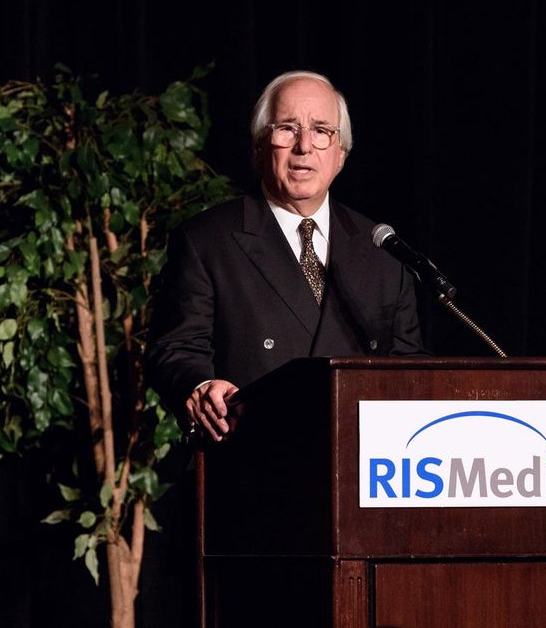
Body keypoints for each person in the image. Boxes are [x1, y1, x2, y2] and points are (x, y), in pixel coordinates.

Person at [145, 70, 425, 442]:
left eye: (322, 130)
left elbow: (408, 369)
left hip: (359, 466)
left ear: (340, 155)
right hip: (252, 457)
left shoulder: (382, 250)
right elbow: (175, 348)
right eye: (287, 129)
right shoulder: (207, 241)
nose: (304, 146)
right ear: (260, 148)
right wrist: (201, 385)